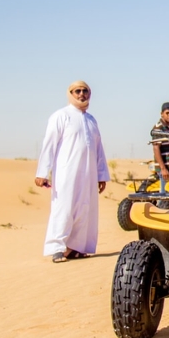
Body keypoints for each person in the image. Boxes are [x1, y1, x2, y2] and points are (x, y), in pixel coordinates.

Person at [35, 81, 110, 263]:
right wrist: (42, 172)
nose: (81, 94)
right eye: (77, 91)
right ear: (70, 93)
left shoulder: (91, 120)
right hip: (66, 172)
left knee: (85, 208)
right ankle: (57, 248)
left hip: (88, 174)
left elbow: (98, 149)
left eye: (85, 91)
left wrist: (101, 175)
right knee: (64, 208)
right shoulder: (60, 116)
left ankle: (76, 248)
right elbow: (49, 145)